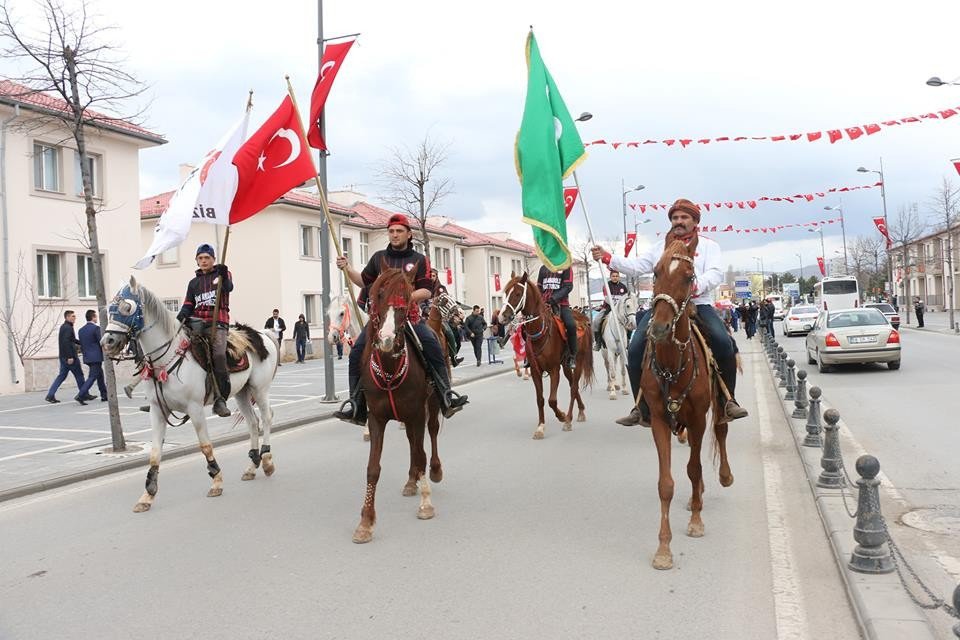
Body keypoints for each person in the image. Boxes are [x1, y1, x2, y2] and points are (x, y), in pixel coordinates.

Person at [591, 198, 749, 427]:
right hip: (664, 305)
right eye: (675, 218)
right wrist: (608, 258)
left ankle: (727, 400)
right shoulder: (659, 247)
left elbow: (716, 273)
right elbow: (636, 266)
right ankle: (641, 407)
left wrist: (696, 285)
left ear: (695, 221)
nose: (679, 221)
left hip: (698, 304)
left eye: (684, 217)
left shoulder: (708, 246)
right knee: (635, 347)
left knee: (723, 341)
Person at [332, 213, 468, 424]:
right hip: (382, 318)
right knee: (357, 351)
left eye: (399, 231)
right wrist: (347, 268)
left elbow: (426, 291)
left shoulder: (420, 260)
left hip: (410, 316)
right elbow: (363, 282)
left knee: (432, 343)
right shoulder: (378, 258)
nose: (394, 235)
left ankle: (446, 396)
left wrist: (402, 300)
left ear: (409, 234)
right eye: (391, 231)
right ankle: (356, 404)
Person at [176, 243, 233, 418]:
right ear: (196, 260)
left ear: (213, 259)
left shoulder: (222, 274)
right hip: (196, 324)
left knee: (218, 355)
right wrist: (178, 320)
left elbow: (228, 288)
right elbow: (188, 305)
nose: (203, 261)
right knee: (177, 351)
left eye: (207, 258)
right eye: (200, 258)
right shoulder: (193, 283)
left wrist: (223, 274)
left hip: (218, 324)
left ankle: (221, 397)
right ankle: (169, 395)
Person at [537, 263, 578, 371]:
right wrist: (540, 300)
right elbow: (539, 287)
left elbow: (568, 287)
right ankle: (529, 356)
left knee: (570, 325)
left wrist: (554, 298)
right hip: (543, 304)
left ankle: (572, 356)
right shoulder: (543, 268)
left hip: (561, 304)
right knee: (529, 323)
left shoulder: (566, 267)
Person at [45, 310, 87, 404]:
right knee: (79, 375)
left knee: (61, 376)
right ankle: (83, 394)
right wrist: (70, 357)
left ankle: (50, 395)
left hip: (63, 356)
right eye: (72, 316)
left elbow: (72, 339)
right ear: (67, 317)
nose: (74, 318)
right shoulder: (68, 328)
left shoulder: (65, 327)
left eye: (74, 316)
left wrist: (82, 343)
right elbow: (66, 343)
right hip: (70, 357)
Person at [429, 268, 463, 366]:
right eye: (430, 276)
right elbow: (422, 302)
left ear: (437, 277)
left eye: (434, 276)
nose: (432, 278)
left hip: (439, 315)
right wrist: (426, 309)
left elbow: (446, 300)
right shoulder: (424, 287)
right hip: (425, 315)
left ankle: (453, 356)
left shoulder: (440, 288)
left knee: (449, 332)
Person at [74, 309, 107, 405]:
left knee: (100, 375)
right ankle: (81, 395)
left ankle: (104, 395)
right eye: (95, 316)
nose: (96, 318)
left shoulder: (81, 330)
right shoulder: (96, 329)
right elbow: (101, 341)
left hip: (87, 357)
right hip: (96, 357)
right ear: (93, 317)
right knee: (92, 377)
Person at [592, 269, 630, 350]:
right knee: (596, 321)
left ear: (619, 277)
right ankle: (598, 342)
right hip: (608, 308)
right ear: (610, 277)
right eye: (613, 276)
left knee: (630, 321)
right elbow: (606, 298)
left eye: (617, 276)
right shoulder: (606, 285)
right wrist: (614, 305)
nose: (615, 278)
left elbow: (626, 299)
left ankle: (628, 340)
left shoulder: (623, 287)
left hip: (620, 310)